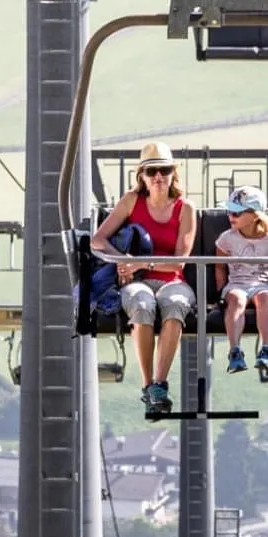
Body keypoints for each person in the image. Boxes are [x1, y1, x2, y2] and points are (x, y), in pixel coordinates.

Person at [91, 141, 197, 418]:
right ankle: (148, 384)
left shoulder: (186, 210)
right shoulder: (131, 202)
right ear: (142, 177)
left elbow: (179, 259)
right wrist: (121, 260)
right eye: (152, 172)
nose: (158, 177)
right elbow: (98, 240)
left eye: (163, 170)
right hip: (138, 282)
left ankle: (160, 383)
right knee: (141, 303)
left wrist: (141, 262)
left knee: (174, 303)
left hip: (171, 278)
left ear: (173, 173)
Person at [214, 185, 268, 374]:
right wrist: (221, 292)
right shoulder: (226, 239)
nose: (231, 216)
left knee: (265, 298)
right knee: (237, 299)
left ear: (255, 215)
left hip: (263, 284)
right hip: (236, 284)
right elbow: (220, 266)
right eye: (230, 211)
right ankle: (235, 350)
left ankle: (267, 349)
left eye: (237, 213)